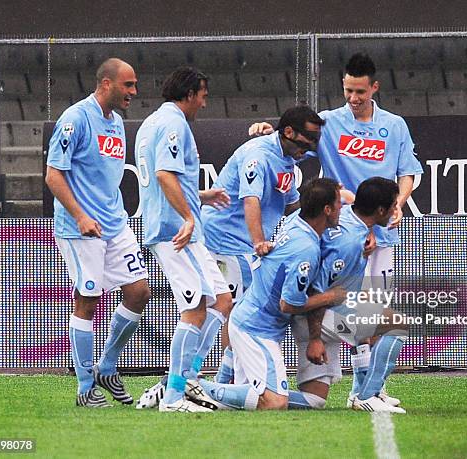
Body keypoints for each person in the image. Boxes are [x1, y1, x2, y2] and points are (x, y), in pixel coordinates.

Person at [249, 52, 423, 400]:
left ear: (374, 88)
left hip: (382, 232)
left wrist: (399, 203)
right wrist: (267, 131)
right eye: (348, 91)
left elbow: (409, 172)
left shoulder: (395, 125)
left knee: (375, 314)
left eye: (360, 92)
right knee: (354, 312)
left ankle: (371, 387)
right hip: (342, 232)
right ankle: (361, 387)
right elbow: (293, 144)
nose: (354, 99)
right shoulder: (328, 123)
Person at [134, 105, 324, 408]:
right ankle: (195, 384)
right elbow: (251, 201)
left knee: (228, 308)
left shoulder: (288, 156)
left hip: (242, 245)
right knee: (236, 313)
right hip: (228, 242)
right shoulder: (259, 155)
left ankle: (187, 380)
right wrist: (260, 241)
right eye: (308, 141)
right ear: (289, 133)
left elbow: (291, 204)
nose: (311, 148)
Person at [186, 178, 346, 410]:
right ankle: (188, 387)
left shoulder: (295, 221)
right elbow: (287, 305)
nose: (342, 208)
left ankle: (200, 392)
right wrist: (330, 297)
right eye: (339, 203)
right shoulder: (306, 249)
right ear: (327, 210)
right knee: (274, 403)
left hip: (253, 323)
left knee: (312, 402)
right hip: (255, 329)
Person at [45, 58, 151, 408]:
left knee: (138, 291)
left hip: (115, 223)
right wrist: (79, 216)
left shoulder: (117, 123)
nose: (134, 92)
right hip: (81, 229)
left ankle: (107, 367)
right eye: (128, 85)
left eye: (134, 85)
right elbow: (53, 176)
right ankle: (85, 386)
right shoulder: (75, 118)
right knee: (88, 300)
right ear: (106, 84)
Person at [134, 67, 233, 413]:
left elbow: (165, 179)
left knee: (221, 301)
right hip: (176, 232)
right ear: (190, 94)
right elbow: (163, 175)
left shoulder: (151, 123)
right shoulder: (174, 124)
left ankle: (183, 378)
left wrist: (200, 198)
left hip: (177, 227)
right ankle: (175, 395)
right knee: (194, 310)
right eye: (203, 96)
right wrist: (189, 216)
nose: (204, 104)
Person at [290, 177, 407, 413]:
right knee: (396, 324)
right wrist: (314, 338)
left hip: (319, 313)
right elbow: (318, 290)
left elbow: (345, 196)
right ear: (381, 210)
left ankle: (253, 393)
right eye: (395, 205)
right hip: (316, 318)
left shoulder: (343, 214)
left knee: (314, 401)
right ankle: (369, 394)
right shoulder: (349, 243)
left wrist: (370, 230)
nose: (397, 210)